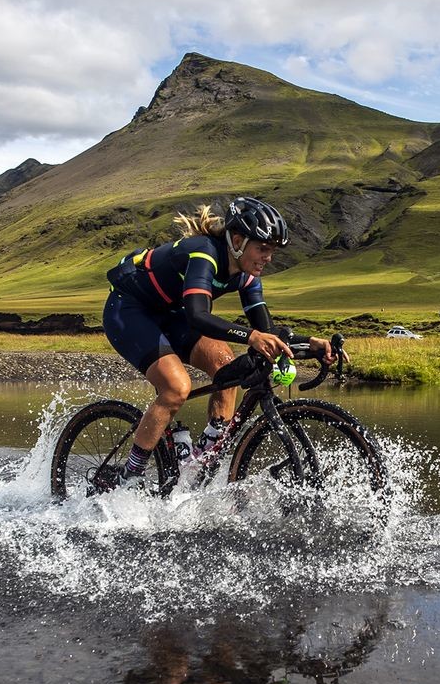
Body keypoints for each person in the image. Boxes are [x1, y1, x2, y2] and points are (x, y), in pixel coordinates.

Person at [101, 196, 338, 490]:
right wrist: (251, 337)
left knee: (227, 366)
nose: (268, 257)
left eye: (272, 251)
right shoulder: (205, 253)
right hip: (130, 309)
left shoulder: (248, 277)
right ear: (237, 240)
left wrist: (309, 344)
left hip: (172, 314)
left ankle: (203, 459)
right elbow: (199, 316)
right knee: (176, 388)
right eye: (262, 248)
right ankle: (130, 476)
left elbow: (267, 331)